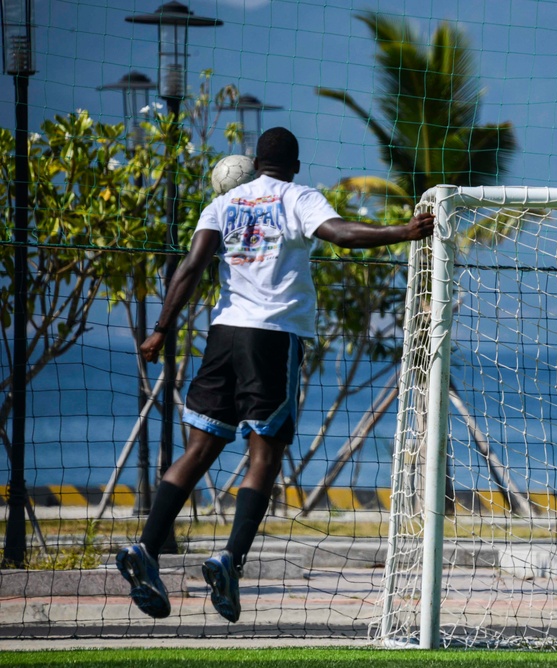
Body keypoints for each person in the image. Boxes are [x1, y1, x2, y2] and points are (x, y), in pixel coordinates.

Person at [115, 127, 435, 622]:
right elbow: (340, 234)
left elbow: (192, 266)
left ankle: (146, 548)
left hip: (223, 335)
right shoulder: (296, 197)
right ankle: (230, 559)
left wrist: (161, 329)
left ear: (254, 161)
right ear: (296, 165)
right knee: (265, 453)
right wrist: (402, 231)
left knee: (198, 449)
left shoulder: (223, 204)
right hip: (272, 336)